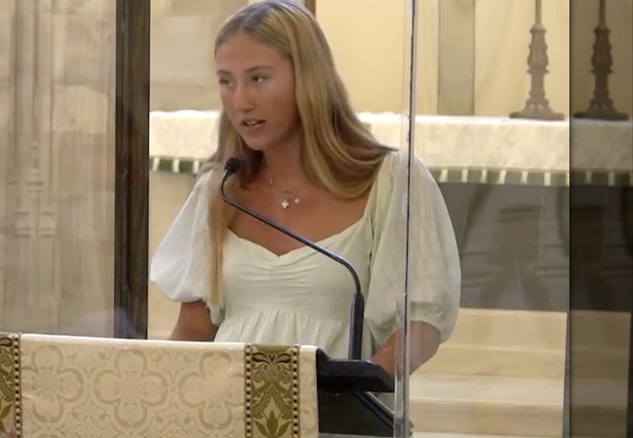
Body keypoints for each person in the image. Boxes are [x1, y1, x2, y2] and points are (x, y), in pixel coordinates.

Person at [149, 0, 461, 381]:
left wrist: (351, 395)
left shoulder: (392, 181)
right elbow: (194, 332)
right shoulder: (220, 190)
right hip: (228, 414)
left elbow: (420, 323)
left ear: (308, 78)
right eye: (226, 81)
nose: (240, 101)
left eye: (258, 78)